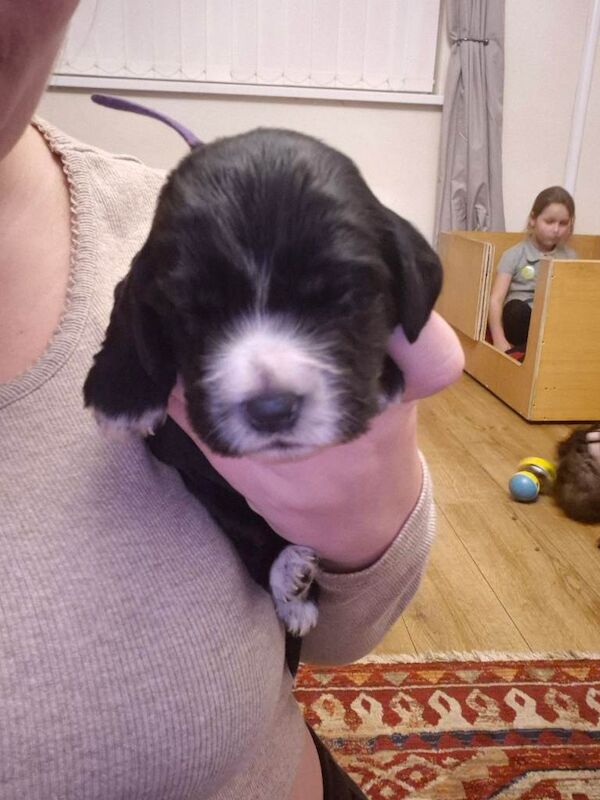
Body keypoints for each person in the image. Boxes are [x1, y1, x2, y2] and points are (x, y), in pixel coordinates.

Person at [0, 2, 464, 798]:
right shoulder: (149, 275)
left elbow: (342, 635)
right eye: (201, 311)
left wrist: (366, 527)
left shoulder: (143, 213)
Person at [488, 186, 576, 355]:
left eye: (563, 223)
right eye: (549, 222)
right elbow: (496, 299)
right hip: (523, 320)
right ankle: (527, 350)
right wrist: (499, 339)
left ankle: (538, 351)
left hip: (553, 321)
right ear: (533, 220)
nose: (556, 229)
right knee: (515, 310)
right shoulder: (514, 254)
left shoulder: (570, 257)